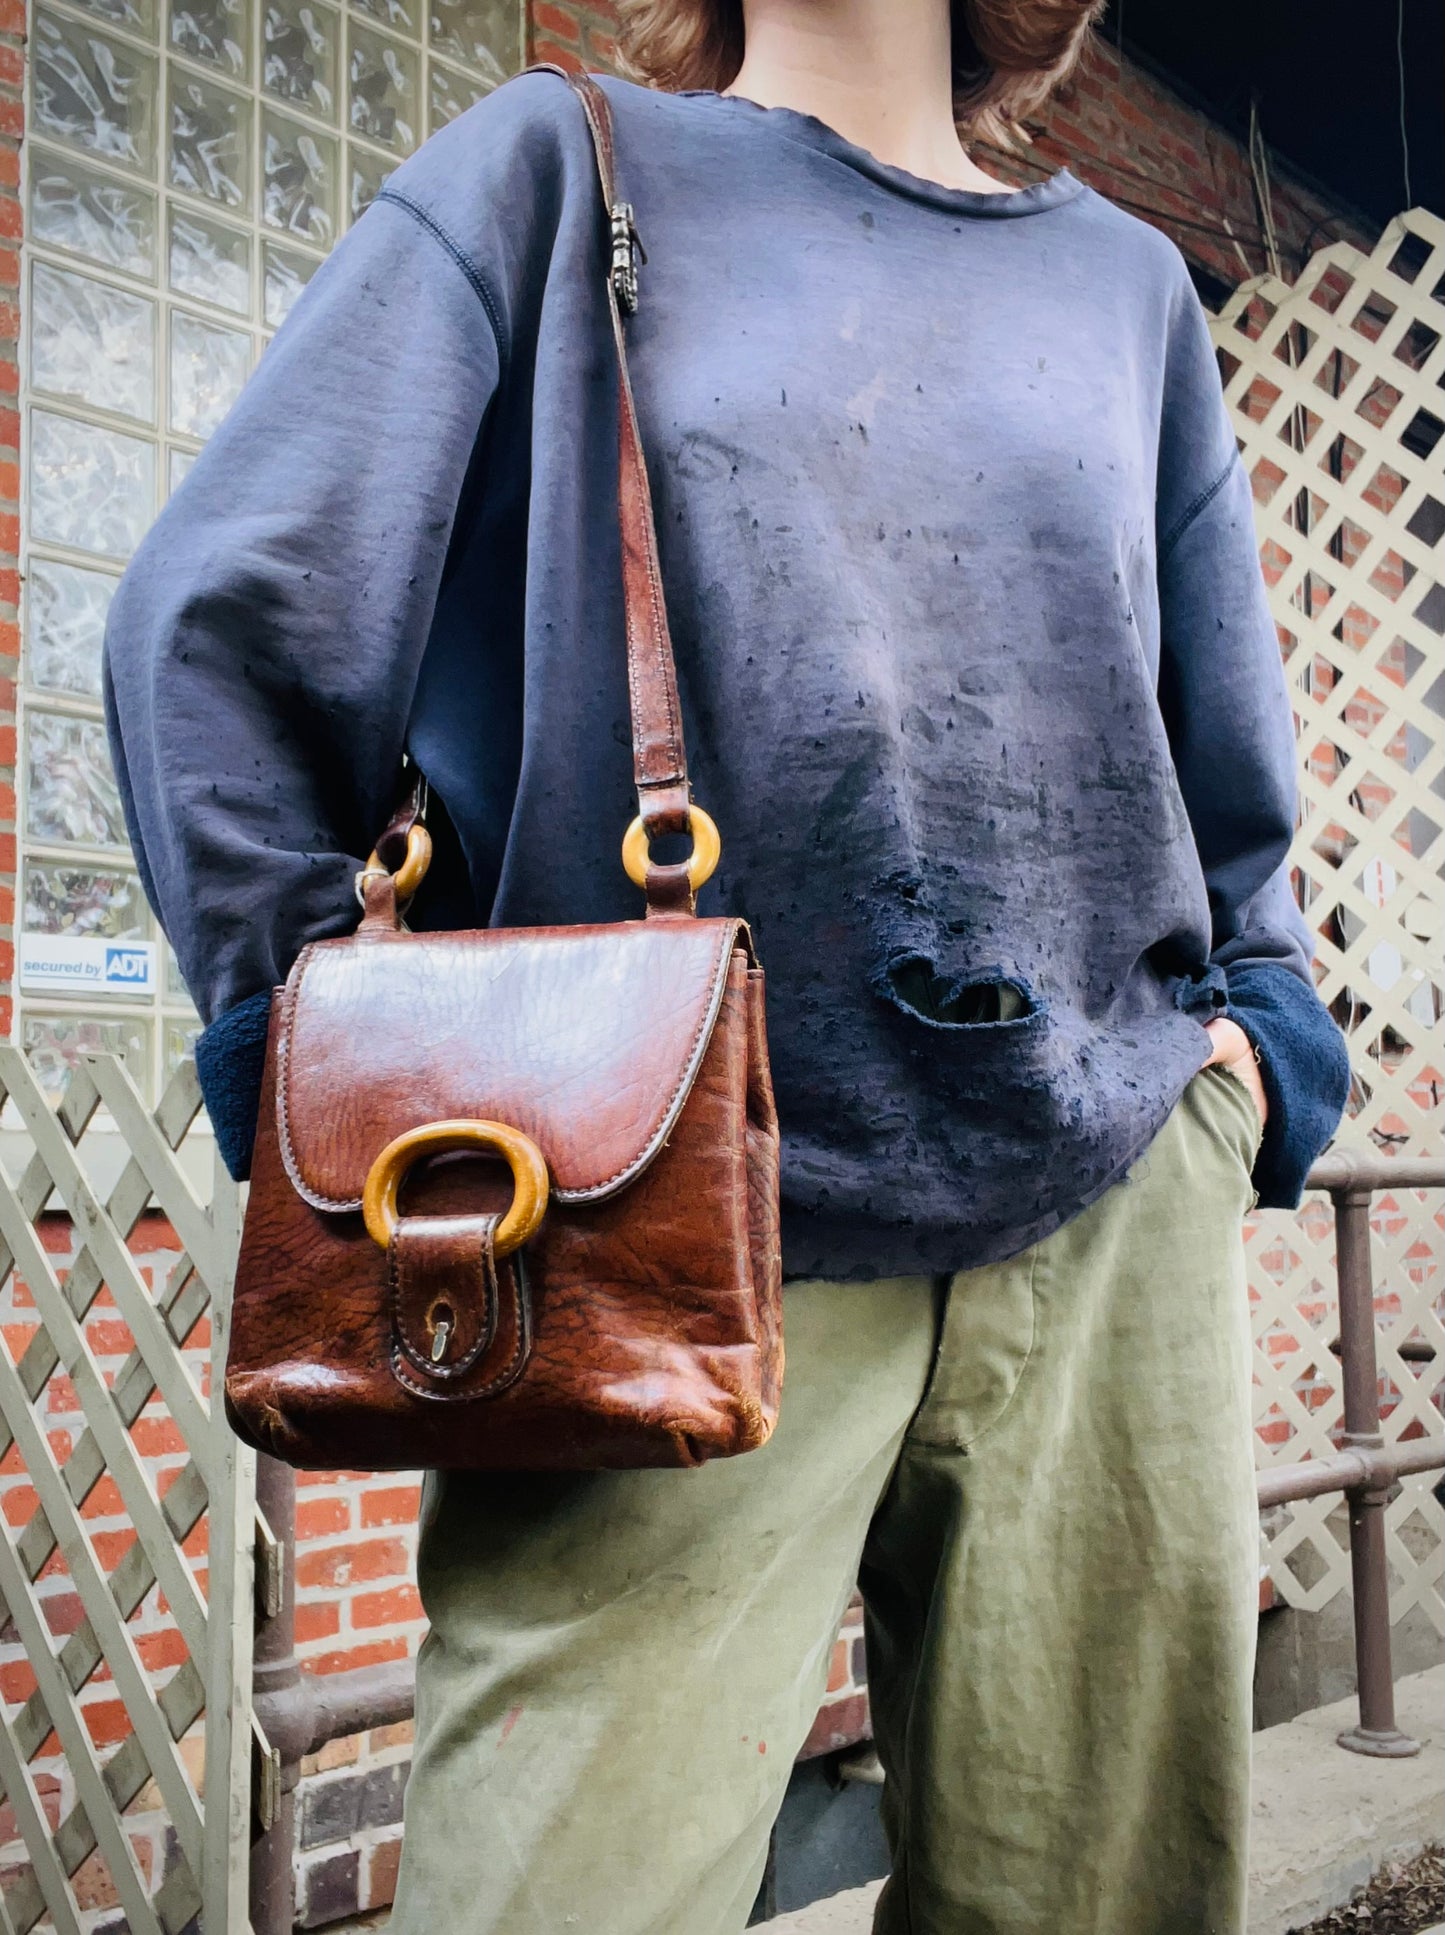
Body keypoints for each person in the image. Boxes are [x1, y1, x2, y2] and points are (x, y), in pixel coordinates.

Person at [103, 0, 1352, 1928]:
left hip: (1105, 1202)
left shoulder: (1125, 291)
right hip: (642, 1210)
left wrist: (1252, 1045)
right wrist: (316, 1064)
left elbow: (1214, 742)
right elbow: (222, 624)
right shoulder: (554, 168)